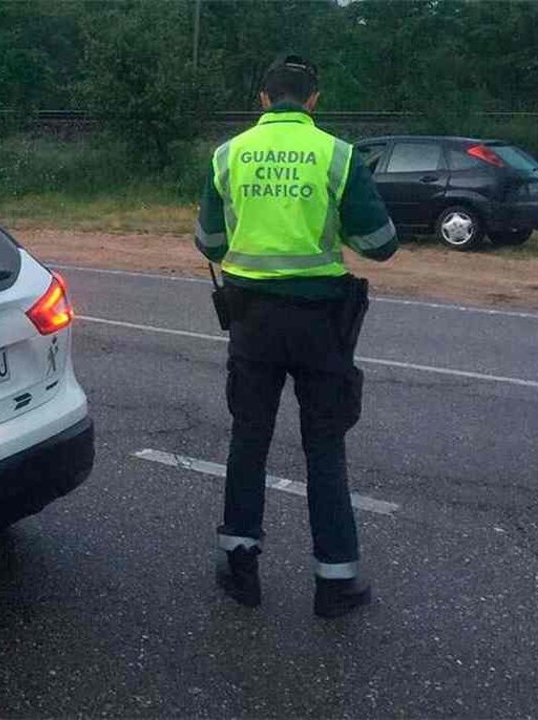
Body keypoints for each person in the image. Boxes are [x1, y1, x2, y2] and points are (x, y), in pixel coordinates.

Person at [194, 54, 398, 618]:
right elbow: (380, 242)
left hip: (251, 321)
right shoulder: (337, 154)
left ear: (263, 99)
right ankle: (336, 580)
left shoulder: (227, 154)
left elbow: (209, 241)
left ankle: (239, 564)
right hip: (320, 323)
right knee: (324, 446)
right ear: (313, 101)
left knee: (249, 437)